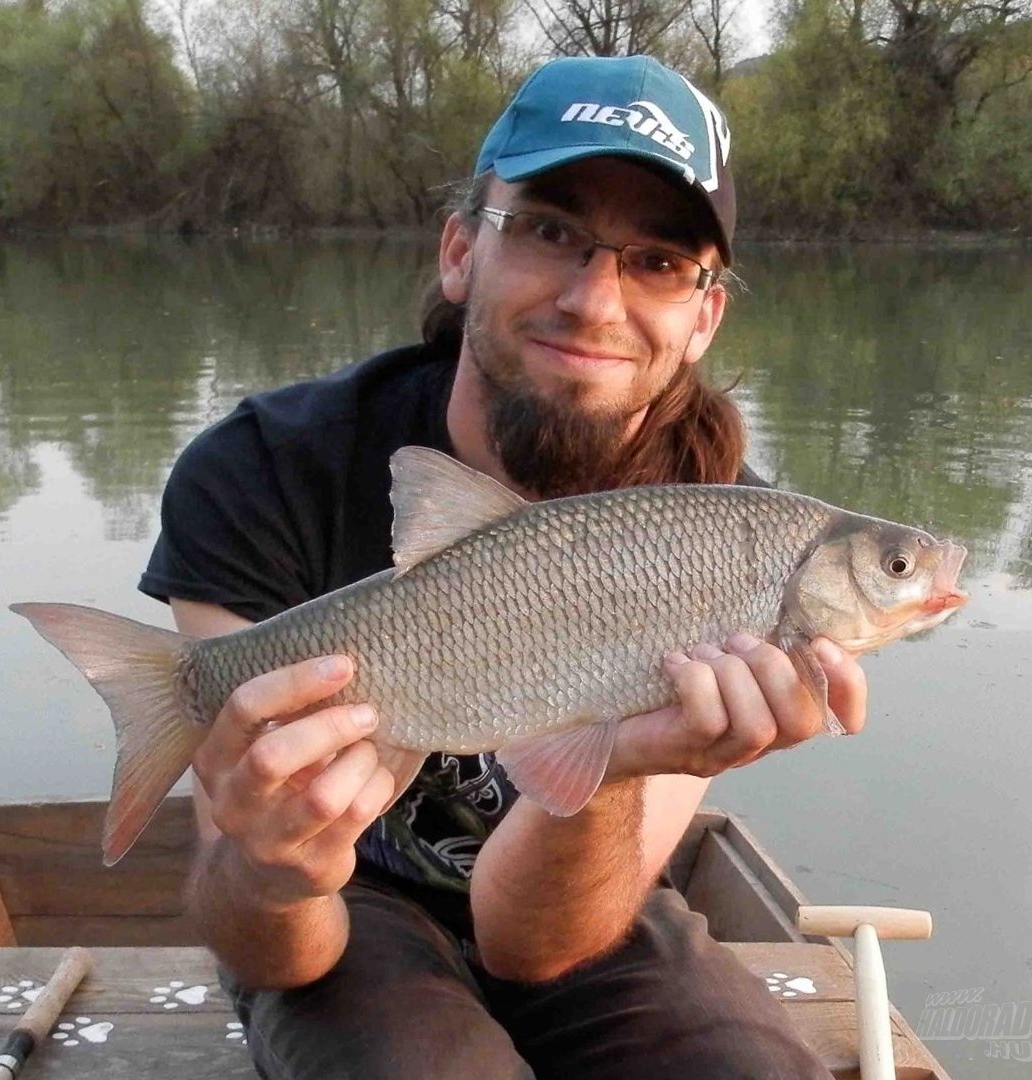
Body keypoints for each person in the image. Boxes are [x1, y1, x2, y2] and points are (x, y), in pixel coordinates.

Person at [140, 54, 867, 1080]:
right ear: (458, 252)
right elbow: (270, 943)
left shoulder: (730, 531)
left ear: (701, 317)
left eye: (657, 260)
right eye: (550, 231)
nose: (593, 299)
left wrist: (618, 760)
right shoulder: (261, 471)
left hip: (582, 889)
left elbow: (539, 947)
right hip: (345, 901)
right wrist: (266, 868)